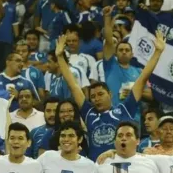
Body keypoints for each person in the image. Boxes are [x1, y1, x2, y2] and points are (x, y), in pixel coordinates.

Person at [56, 31, 166, 160]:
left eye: (100, 94)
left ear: (110, 94)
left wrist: (157, 52)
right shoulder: (88, 113)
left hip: (121, 165)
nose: (97, 98)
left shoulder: (124, 108)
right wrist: (59, 57)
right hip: (96, 168)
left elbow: (142, 79)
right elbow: (73, 86)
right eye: (93, 96)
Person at [103, 6, 150, 107]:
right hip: (113, 114)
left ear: (132, 54)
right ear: (115, 53)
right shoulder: (110, 65)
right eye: (120, 50)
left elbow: (150, 95)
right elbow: (108, 41)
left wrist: (134, 91)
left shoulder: (139, 72)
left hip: (135, 117)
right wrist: (107, 17)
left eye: (127, 50)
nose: (124, 52)